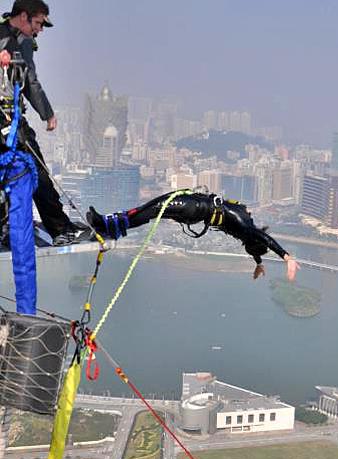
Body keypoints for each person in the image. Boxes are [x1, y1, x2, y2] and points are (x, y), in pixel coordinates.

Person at [0, 0, 82, 246]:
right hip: (6, 121)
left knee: (27, 170)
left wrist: (46, 112)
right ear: (24, 16)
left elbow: (29, 82)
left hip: (10, 117)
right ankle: (59, 229)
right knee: (34, 169)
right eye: (37, 23)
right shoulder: (4, 38)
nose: (40, 30)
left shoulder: (23, 43)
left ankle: (56, 226)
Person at [86, 191, 300, 282]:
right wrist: (259, 263)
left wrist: (286, 256)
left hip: (194, 208)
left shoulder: (245, 225)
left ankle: (106, 224)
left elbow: (262, 240)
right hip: (194, 208)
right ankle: (109, 226)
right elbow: (257, 243)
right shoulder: (247, 231)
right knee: (150, 210)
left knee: (150, 209)